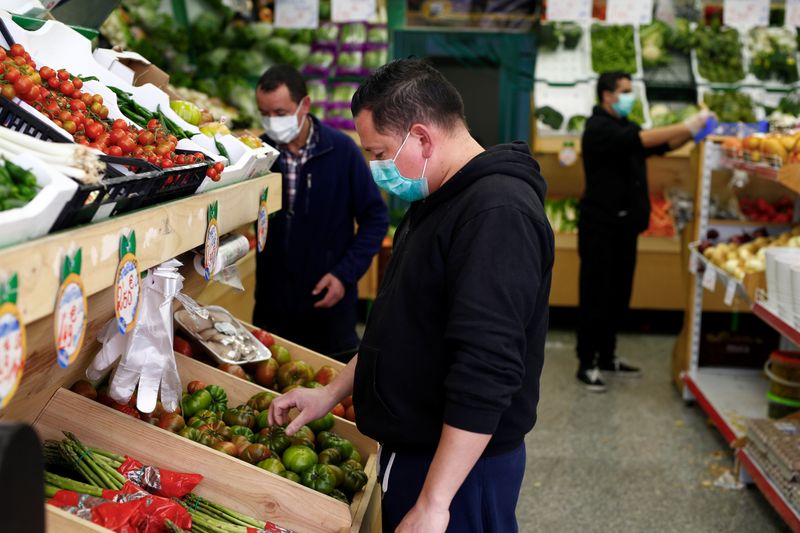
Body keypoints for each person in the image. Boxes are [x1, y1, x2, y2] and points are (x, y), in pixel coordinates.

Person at [269, 59, 554, 533]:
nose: (375, 167)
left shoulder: (497, 214)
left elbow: (488, 367)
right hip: (418, 455)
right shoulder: (436, 200)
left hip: (460, 471)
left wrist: (435, 500)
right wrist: (332, 391)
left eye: (378, 152)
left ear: (421, 138)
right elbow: (398, 328)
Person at [577, 71, 712, 392]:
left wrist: (696, 134)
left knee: (619, 294)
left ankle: (608, 356)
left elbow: (658, 146)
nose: (630, 96)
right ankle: (587, 363)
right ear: (607, 95)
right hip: (601, 226)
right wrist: (689, 123)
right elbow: (641, 141)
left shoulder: (626, 126)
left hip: (627, 226)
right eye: (625, 91)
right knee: (596, 295)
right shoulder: (598, 128)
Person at [253, 65, 388, 361]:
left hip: (329, 311)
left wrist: (344, 275)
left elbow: (375, 218)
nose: (272, 122)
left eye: (280, 113)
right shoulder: (259, 153)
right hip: (272, 310)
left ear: (304, 106)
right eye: (265, 114)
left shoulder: (341, 151)